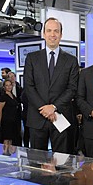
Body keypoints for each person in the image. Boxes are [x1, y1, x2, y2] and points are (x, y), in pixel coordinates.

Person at [23, 17, 79, 153]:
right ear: (43, 34)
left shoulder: (71, 60)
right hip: (37, 118)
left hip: (61, 117)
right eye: (49, 31)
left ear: (61, 35)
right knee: (36, 164)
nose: (52, 34)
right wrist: (45, 109)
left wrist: (53, 107)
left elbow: (72, 88)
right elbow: (29, 87)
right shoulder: (32, 58)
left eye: (56, 31)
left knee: (62, 162)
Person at [0, 79, 22, 146]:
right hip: (6, 120)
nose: (9, 87)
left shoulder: (13, 95)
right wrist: (0, 122)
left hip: (13, 120)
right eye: (6, 85)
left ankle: (9, 154)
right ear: (4, 87)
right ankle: (5, 153)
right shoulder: (3, 96)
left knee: (11, 138)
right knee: (6, 138)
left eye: (10, 85)